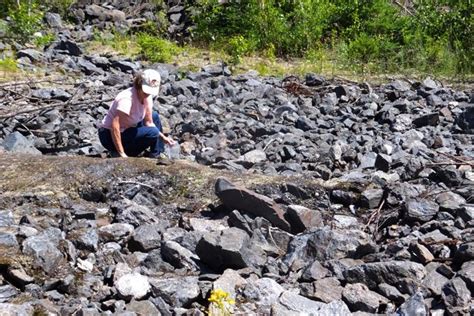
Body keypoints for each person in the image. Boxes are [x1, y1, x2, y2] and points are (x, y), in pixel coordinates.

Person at [98, 69, 175, 158]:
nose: (148, 94)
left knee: (155, 116)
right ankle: (118, 151)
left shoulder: (147, 96)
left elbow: (149, 122)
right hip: (109, 136)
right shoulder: (127, 99)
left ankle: (156, 154)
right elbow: (114, 126)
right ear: (139, 86)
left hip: (128, 128)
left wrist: (163, 137)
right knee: (152, 132)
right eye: (146, 91)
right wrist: (121, 153)